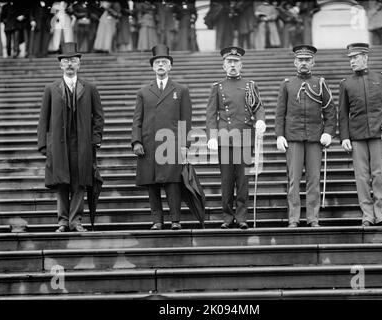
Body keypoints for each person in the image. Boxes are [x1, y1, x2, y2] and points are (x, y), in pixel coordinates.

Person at [37, 42, 104, 232]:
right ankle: (62, 221)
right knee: (61, 183)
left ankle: (76, 221)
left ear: (79, 64)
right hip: (59, 144)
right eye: (66, 61)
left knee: (80, 182)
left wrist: (95, 138)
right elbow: (44, 118)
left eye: (73, 61)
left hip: (82, 143)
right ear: (60, 65)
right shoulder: (51, 89)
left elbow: (98, 116)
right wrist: (43, 144)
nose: (69, 64)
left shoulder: (90, 88)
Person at [338, 42, 382, 227]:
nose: (352, 62)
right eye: (350, 58)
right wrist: (344, 137)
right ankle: (367, 215)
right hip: (357, 136)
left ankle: (381, 214)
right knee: (362, 177)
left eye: (355, 58)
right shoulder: (346, 83)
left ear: (365, 57)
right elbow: (342, 114)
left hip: (376, 133)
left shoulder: (380, 78)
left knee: (379, 175)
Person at [275, 45, 337, 228]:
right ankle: (293, 218)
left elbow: (330, 112)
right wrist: (279, 135)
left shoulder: (320, 83)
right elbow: (280, 113)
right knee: (294, 181)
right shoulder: (287, 84)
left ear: (313, 62)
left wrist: (328, 132)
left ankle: (313, 218)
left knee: (313, 180)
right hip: (293, 137)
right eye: (300, 60)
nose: (303, 63)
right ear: (295, 62)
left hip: (314, 138)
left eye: (307, 60)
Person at [131, 44, 192, 230]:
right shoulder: (143, 92)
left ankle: (175, 220)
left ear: (170, 66)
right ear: (153, 67)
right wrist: (136, 141)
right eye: (157, 62)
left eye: (164, 62)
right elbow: (137, 119)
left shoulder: (180, 90)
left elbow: (185, 120)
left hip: (171, 143)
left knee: (173, 182)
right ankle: (157, 220)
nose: (161, 65)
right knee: (152, 183)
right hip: (149, 143)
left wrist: (184, 144)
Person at [206, 46, 266, 229]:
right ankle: (227, 217)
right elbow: (211, 114)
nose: (232, 65)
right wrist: (212, 136)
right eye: (229, 62)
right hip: (225, 139)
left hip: (245, 138)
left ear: (241, 65)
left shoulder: (250, 85)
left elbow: (259, 107)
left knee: (242, 180)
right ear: (224, 66)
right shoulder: (217, 87)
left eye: (236, 62)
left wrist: (261, 121)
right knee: (226, 180)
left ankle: (241, 217)